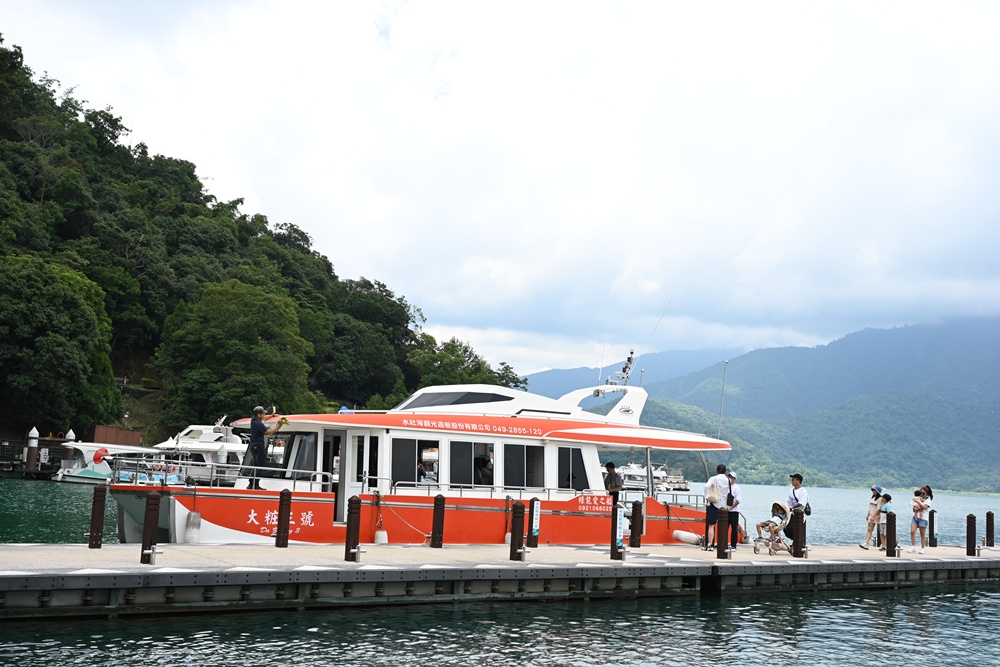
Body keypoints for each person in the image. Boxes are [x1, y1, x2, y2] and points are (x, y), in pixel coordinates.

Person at [248, 405, 283, 489]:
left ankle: (251, 483)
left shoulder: (254, 420)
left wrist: (272, 416)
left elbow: (264, 418)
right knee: (260, 465)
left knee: (256, 465)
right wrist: (278, 425)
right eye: (263, 414)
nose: (264, 415)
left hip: (253, 446)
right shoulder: (258, 423)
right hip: (258, 446)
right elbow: (269, 432)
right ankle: (255, 485)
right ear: (258, 415)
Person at [703, 464, 728, 550]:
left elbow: (706, 486)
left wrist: (707, 497)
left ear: (717, 471)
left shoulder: (713, 479)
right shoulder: (727, 480)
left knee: (711, 525)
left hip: (714, 504)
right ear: (725, 471)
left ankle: (710, 544)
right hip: (724, 506)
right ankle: (722, 544)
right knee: (723, 526)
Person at [784, 473, 810, 539]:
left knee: (796, 530)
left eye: (793, 480)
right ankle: (796, 541)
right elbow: (788, 501)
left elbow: (801, 503)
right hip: (792, 514)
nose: (792, 481)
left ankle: (798, 543)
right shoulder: (791, 491)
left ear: (798, 481)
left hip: (800, 514)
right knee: (787, 529)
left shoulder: (803, 491)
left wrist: (792, 507)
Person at [859, 485, 884, 549]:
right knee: (869, 530)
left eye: (874, 490)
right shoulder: (872, 498)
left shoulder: (880, 499)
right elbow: (870, 508)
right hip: (871, 516)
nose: (873, 491)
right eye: (872, 490)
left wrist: (874, 516)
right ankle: (866, 543)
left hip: (878, 517)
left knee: (881, 531)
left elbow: (878, 509)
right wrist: (868, 515)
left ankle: (886, 543)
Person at [908, 487, 931, 553]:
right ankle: (913, 546)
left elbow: (924, 507)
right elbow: (911, 505)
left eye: (923, 493)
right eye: (920, 493)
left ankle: (922, 548)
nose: (921, 494)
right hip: (915, 517)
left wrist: (918, 501)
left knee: (922, 534)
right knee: (912, 531)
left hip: (923, 518)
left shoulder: (928, 501)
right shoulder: (917, 498)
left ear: (927, 494)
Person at [726, 470, 742, 549]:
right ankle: (724, 543)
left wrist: (731, 507)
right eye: (729, 477)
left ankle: (733, 545)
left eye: (731, 477)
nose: (730, 478)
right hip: (726, 510)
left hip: (734, 511)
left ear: (734, 479)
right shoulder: (726, 487)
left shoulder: (737, 488)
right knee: (725, 527)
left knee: (734, 528)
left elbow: (738, 500)